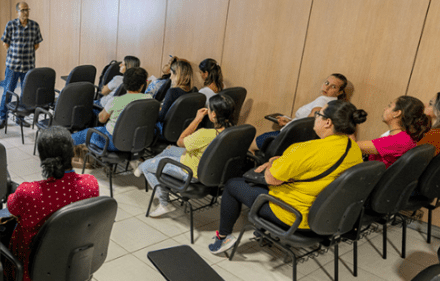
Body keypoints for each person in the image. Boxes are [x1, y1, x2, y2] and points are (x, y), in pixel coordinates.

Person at [209, 100, 367, 254]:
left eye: (319, 114)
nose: (316, 117)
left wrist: (271, 161)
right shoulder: (353, 149)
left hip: (292, 216)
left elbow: (272, 179)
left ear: (327, 123)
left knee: (232, 185)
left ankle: (223, 238)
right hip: (325, 217)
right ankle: (260, 231)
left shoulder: (306, 149)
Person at [6, 127, 99, 281]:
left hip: (34, 269)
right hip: (73, 263)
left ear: (42, 158)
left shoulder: (29, 192)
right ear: (72, 152)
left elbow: (11, 208)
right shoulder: (91, 184)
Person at [140, 93, 235, 218]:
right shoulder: (232, 132)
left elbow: (180, 141)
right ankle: (153, 163)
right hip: (207, 169)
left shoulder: (205, 134)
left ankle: (164, 204)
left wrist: (197, 119)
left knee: (146, 166)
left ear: (213, 114)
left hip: (190, 171)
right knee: (169, 149)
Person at [254, 74, 349, 150]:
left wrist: (291, 125)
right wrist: (290, 121)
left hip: (287, 137)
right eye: (326, 83)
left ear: (339, 92)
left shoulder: (323, 100)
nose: (326, 88)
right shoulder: (335, 104)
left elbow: (311, 121)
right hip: (299, 141)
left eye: (333, 86)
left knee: (250, 144)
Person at [71, 67, 150, 151]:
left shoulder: (116, 101)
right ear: (142, 85)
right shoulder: (150, 99)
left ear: (124, 83)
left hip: (112, 142)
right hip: (138, 142)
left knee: (85, 133)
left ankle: (60, 144)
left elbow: (101, 119)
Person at [0, 1, 43, 130]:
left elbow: (36, 45)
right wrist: (15, 54)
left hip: (28, 66)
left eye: (27, 9)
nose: (25, 12)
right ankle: (3, 118)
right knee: (7, 91)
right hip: (12, 66)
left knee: (25, 93)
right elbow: (5, 43)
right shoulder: (11, 25)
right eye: (22, 10)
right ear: (17, 11)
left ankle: (20, 118)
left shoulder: (34, 26)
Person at [356, 95, 431, 168]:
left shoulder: (398, 140)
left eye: (389, 106)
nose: (385, 108)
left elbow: (354, 146)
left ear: (397, 113)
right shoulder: (403, 136)